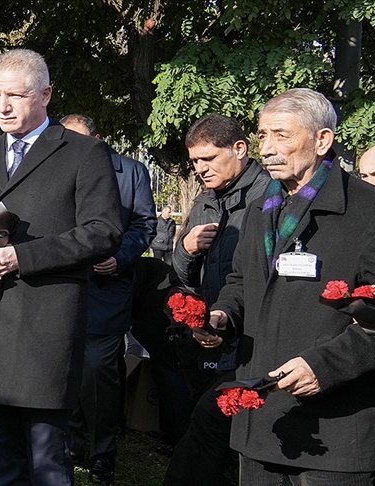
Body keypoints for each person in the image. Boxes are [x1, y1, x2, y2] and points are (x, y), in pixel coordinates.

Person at [0, 49, 123, 485]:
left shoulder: (84, 153)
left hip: (44, 329)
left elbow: (103, 231)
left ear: (45, 95)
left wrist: (22, 257)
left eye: (15, 95)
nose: (2, 106)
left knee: (47, 462)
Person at [208, 88, 375, 484]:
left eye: (281, 135)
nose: (266, 148)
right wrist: (221, 317)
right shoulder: (259, 209)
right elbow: (241, 282)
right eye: (263, 135)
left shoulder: (370, 211)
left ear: (322, 140)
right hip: (262, 424)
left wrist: (324, 366)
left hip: (337, 433)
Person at [164, 113, 270, 486]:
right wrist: (187, 250)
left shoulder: (271, 197)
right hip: (209, 334)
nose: (201, 169)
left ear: (239, 149)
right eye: (195, 161)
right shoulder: (205, 202)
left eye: (208, 158)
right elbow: (180, 275)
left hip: (255, 341)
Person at [61, 113, 156, 485]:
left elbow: (145, 223)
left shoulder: (131, 172)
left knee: (99, 368)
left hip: (107, 287)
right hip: (63, 284)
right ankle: (71, 440)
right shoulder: (54, 167)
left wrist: (119, 257)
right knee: (66, 364)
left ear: (98, 139)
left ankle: (103, 451)